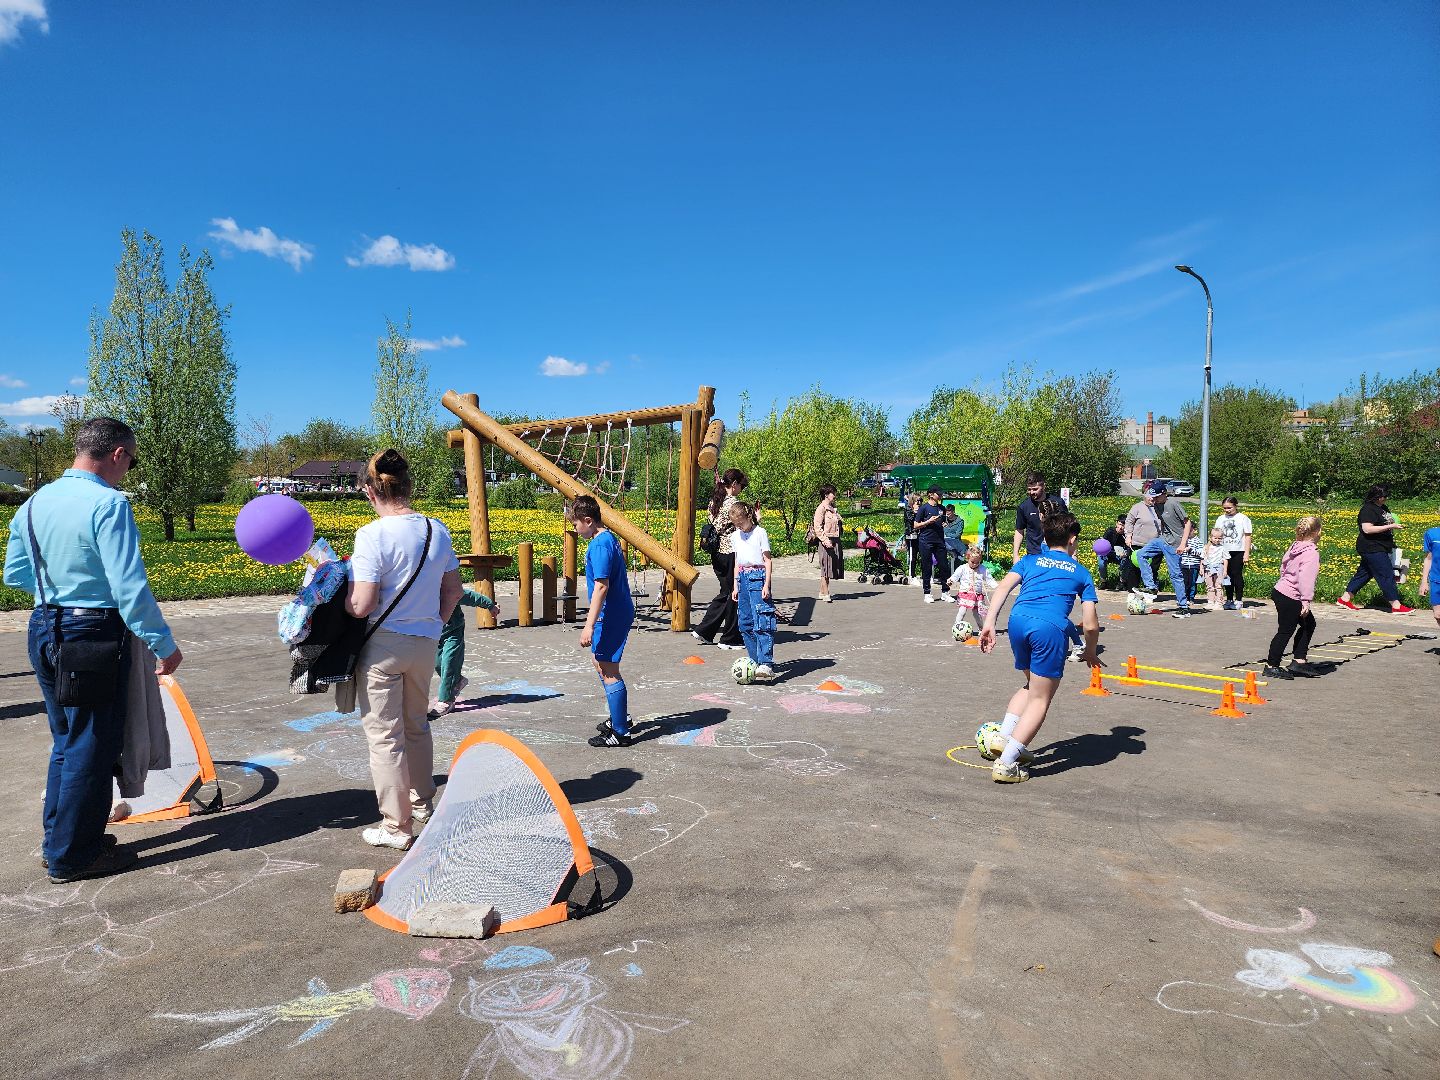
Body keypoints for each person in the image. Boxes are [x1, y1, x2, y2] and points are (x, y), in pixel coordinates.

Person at [3, 418, 182, 883]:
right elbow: (129, 586)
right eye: (132, 460)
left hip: (44, 625)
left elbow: (16, 573)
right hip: (93, 634)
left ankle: (59, 842)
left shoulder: (35, 502)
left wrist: (62, 589)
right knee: (93, 745)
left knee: (67, 740)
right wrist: (162, 642)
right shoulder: (109, 503)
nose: (129, 469)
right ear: (118, 454)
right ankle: (73, 855)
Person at [346, 449, 462, 850]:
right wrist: (436, 624)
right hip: (425, 643)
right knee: (417, 726)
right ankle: (423, 804)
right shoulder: (437, 530)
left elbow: (362, 604)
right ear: (408, 486)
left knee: (385, 736)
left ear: (369, 492)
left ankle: (396, 827)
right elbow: (454, 590)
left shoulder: (371, 535)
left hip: (383, 646)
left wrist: (336, 598)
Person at [979, 511, 1100, 784]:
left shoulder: (1029, 560)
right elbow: (1091, 624)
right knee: (1041, 699)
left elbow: (1002, 589)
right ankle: (1007, 763)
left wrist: (989, 622)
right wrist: (1090, 650)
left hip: (1018, 622)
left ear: (1045, 538)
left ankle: (1005, 739)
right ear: (1073, 540)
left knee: (1032, 685)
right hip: (1049, 629)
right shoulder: (1081, 572)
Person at [570, 496, 638, 747]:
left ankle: (620, 733)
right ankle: (620, 718)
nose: (575, 529)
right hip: (615, 612)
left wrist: (589, 624)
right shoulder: (608, 539)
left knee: (609, 669)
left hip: (609, 614)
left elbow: (601, 586)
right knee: (601, 663)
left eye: (576, 524)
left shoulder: (598, 546)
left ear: (588, 521)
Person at [1336, 484, 1413, 615]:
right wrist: (1392, 526)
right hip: (1371, 547)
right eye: (1385, 496)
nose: (1386, 498)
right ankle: (1395, 605)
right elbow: (1367, 529)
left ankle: (1345, 599)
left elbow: (1386, 523)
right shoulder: (1367, 510)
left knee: (1364, 573)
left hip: (1382, 545)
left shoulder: (1382, 508)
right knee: (1386, 574)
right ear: (1377, 496)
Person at [693, 468, 748, 649]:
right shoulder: (733, 502)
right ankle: (730, 639)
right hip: (730, 551)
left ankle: (705, 631)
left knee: (726, 592)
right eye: (741, 485)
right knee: (734, 593)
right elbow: (744, 525)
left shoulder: (714, 500)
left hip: (716, 552)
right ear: (734, 484)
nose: (742, 489)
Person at [1265, 516, 1325, 680]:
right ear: (1317, 532)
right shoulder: (1311, 552)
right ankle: (1272, 666)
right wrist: (1305, 601)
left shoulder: (1296, 546)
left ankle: (1299, 661)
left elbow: (1283, 565)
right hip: (1291, 595)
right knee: (1286, 630)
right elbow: (1306, 577)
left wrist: (1284, 581)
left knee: (1308, 624)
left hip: (1281, 590)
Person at [430, 584, 499, 717]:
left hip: (453, 632)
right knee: (438, 665)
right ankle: (458, 680)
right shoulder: (420, 593)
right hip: (435, 634)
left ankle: (446, 700)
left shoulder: (448, 590)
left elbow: (470, 597)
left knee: (449, 663)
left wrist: (490, 605)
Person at [1129, 485, 1193, 618]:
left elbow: (1187, 523)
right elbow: (1164, 522)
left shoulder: (1173, 504)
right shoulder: (1156, 505)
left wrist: (1183, 543)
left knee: (1175, 575)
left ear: (1164, 494)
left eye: (1157, 497)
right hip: (1163, 540)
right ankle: (1151, 587)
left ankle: (1184, 607)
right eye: (1153, 497)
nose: (1155, 500)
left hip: (1175, 544)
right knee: (1141, 554)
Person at [729, 500, 776, 678]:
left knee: (762, 622)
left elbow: (768, 560)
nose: (739, 526)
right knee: (745, 624)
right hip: (742, 578)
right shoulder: (735, 536)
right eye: (736, 524)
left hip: (758, 577)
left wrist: (766, 584)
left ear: (749, 516)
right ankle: (754, 661)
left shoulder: (760, 533)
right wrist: (735, 585)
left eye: (741, 522)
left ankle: (766, 663)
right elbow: (736, 562)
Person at [1213, 497, 1254, 610]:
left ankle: (1239, 599)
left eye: (1229, 507)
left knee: (1236, 575)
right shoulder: (1220, 519)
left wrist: (1246, 554)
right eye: (1224, 508)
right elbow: (1215, 533)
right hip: (1224, 550)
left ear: (1236, 506)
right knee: (1226, 575)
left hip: (1238, 550)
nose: (1227, 510)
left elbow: (1247, 536)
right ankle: (1229, 599)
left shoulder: (1243, 518)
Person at [948, 546, 997, 638]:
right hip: (965, 594)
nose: (975, 564)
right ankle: (956, 628)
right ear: (967, 558)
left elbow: (990, 580)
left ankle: (982, 629)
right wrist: (951, 581)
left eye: (977, 562)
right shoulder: (962, 568)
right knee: (962, 611)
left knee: (977, 613)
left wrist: (998, 587)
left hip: (977, 595)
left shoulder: (983, 569)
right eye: (972, 562)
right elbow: (955, 576)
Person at [914, 487, 951, 603]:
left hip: (939, 540)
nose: (940, 495)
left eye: (941, 493)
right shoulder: (924, 508)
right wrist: (928, 522)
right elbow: (915, 525)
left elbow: (944, 521)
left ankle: (945, 592)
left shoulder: (941, 508)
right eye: (938, 493)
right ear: (930, 494)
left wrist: (944, 524)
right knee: (927, 566)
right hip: (925, 540)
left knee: (944, 566)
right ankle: (927, 593)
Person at [812, 484, 844, 603]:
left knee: (831, 566)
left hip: (835, 539)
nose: (834, 495)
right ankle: (826, 593)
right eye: (833, 493)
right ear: (826, 495)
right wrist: (825, 540)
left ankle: (822, 591)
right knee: (825, 567)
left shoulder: (832, 508)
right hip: (826, 540)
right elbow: (817, 527)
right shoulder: (821, 508)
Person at [1011, 472, 1046, 563]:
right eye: (1029, 489)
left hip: (1055, 552)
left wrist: (1072, 554)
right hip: (1034, 553)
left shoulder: (1057, 503)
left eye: (1035, 489)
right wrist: (1015, 555)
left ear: (1043, 486)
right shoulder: (1024, 507)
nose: (1031, 492)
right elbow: (1019, 530)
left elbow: (1067, 528)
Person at [1420, 516, 1440, 639]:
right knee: (1438, 615)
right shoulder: (1431, 533)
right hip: (1436, 580)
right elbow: (1428, 558)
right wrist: (1424, 582)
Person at [1201, 527, 1228, 612]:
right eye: (1215, 538)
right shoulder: (1206, 547)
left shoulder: (1223, 548)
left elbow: (1225, 559)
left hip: (1219, 568)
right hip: (1208, 568)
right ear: (1210, 537)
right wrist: (1201, 568)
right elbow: (1202, 558)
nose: (1217, 540)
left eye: (1219, 538)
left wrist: (1225, 570)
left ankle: (1219, 602)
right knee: (1210, 586)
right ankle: (1210, 602)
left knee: (1218, 586)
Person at [1097, 515, 1128, 586]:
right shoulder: (1110, 531)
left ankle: (1122, 582)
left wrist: (1125, 554)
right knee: (1101, 560)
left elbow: (1128, 549)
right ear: (1116, 523)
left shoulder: (1127, 535)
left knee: (1126, 560)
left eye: (1123, 525)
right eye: (1120, 524)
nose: (1120, 527)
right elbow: (1103, 544)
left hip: (1120, 556)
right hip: (1108, 554)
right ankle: (1103, 581)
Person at [902, 492, 922, 580]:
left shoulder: (921, 509)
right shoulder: (908, 509)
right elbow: (911, 521)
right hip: (911, 534)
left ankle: (923, 573)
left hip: (921, 534)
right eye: (918, 500)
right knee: (913, 555)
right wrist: (915, 512)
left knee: (923, 555)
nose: (920, 502)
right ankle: (912, 574)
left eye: (921, 500)